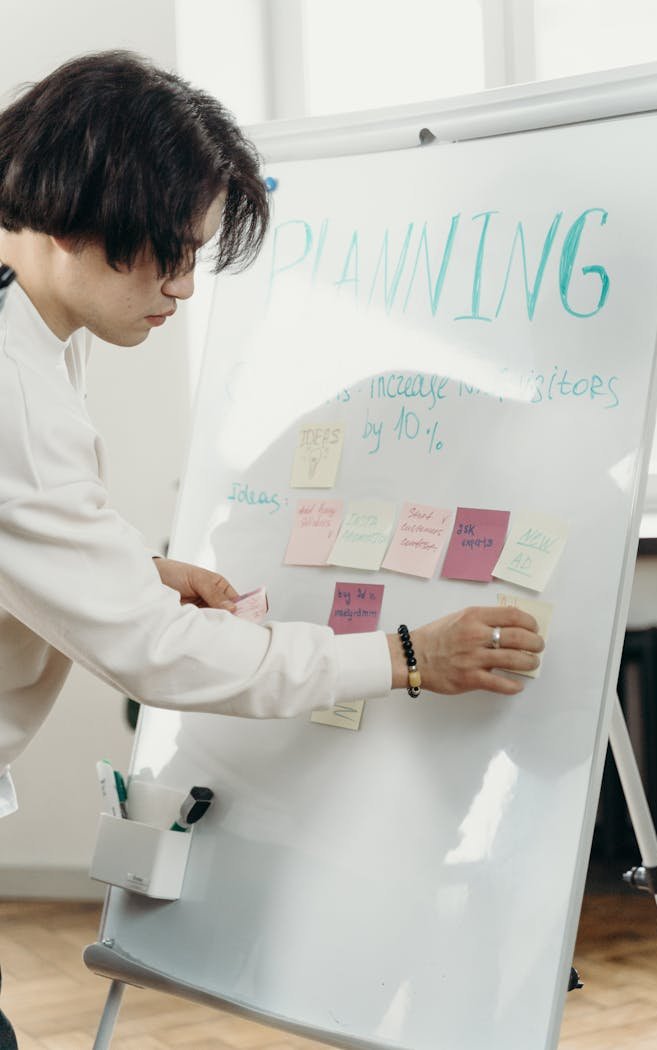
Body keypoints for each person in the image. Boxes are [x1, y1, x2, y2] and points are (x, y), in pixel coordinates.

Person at [0, 51, 543, 1043]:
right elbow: (153, 653)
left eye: (200, 256)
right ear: (80, 217)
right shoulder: (15, 391)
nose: (187, 289)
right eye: (171, 252)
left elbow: (20, 530)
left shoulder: (27, 319)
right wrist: (405, 654)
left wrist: (133, 571)